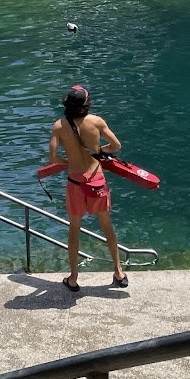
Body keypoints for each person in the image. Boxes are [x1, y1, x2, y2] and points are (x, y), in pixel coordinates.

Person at [46, 84, 127, 291]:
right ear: (86, 105)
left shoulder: (59, 126)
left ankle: (73, 278)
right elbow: (116, 146)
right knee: (107, 226)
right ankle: (118, 272)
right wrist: (98, 151)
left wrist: (69, 163)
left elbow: (53, 158)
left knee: (74, 229)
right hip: (97, 180)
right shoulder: (96, 122)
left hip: (75, 183)